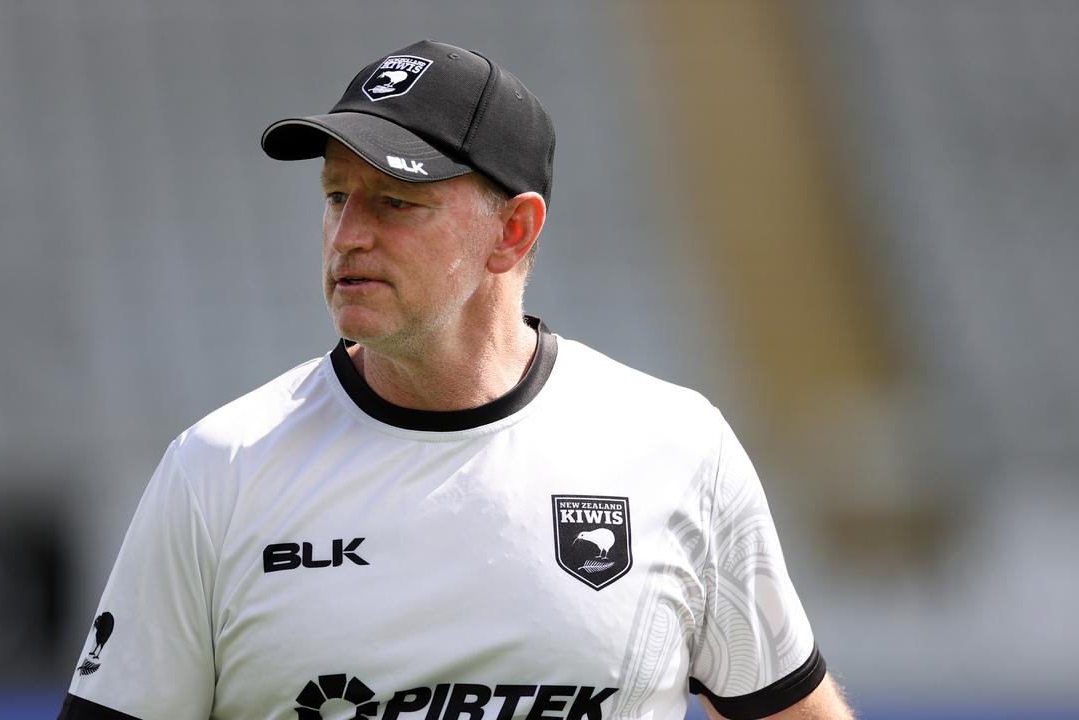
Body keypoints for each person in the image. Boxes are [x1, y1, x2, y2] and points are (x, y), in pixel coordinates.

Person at [57, 39, 854, 720]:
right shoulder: (218, 470)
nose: (347, 236)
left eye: (395, 202)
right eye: (336, 196)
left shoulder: (679, 449)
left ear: (514, 231)